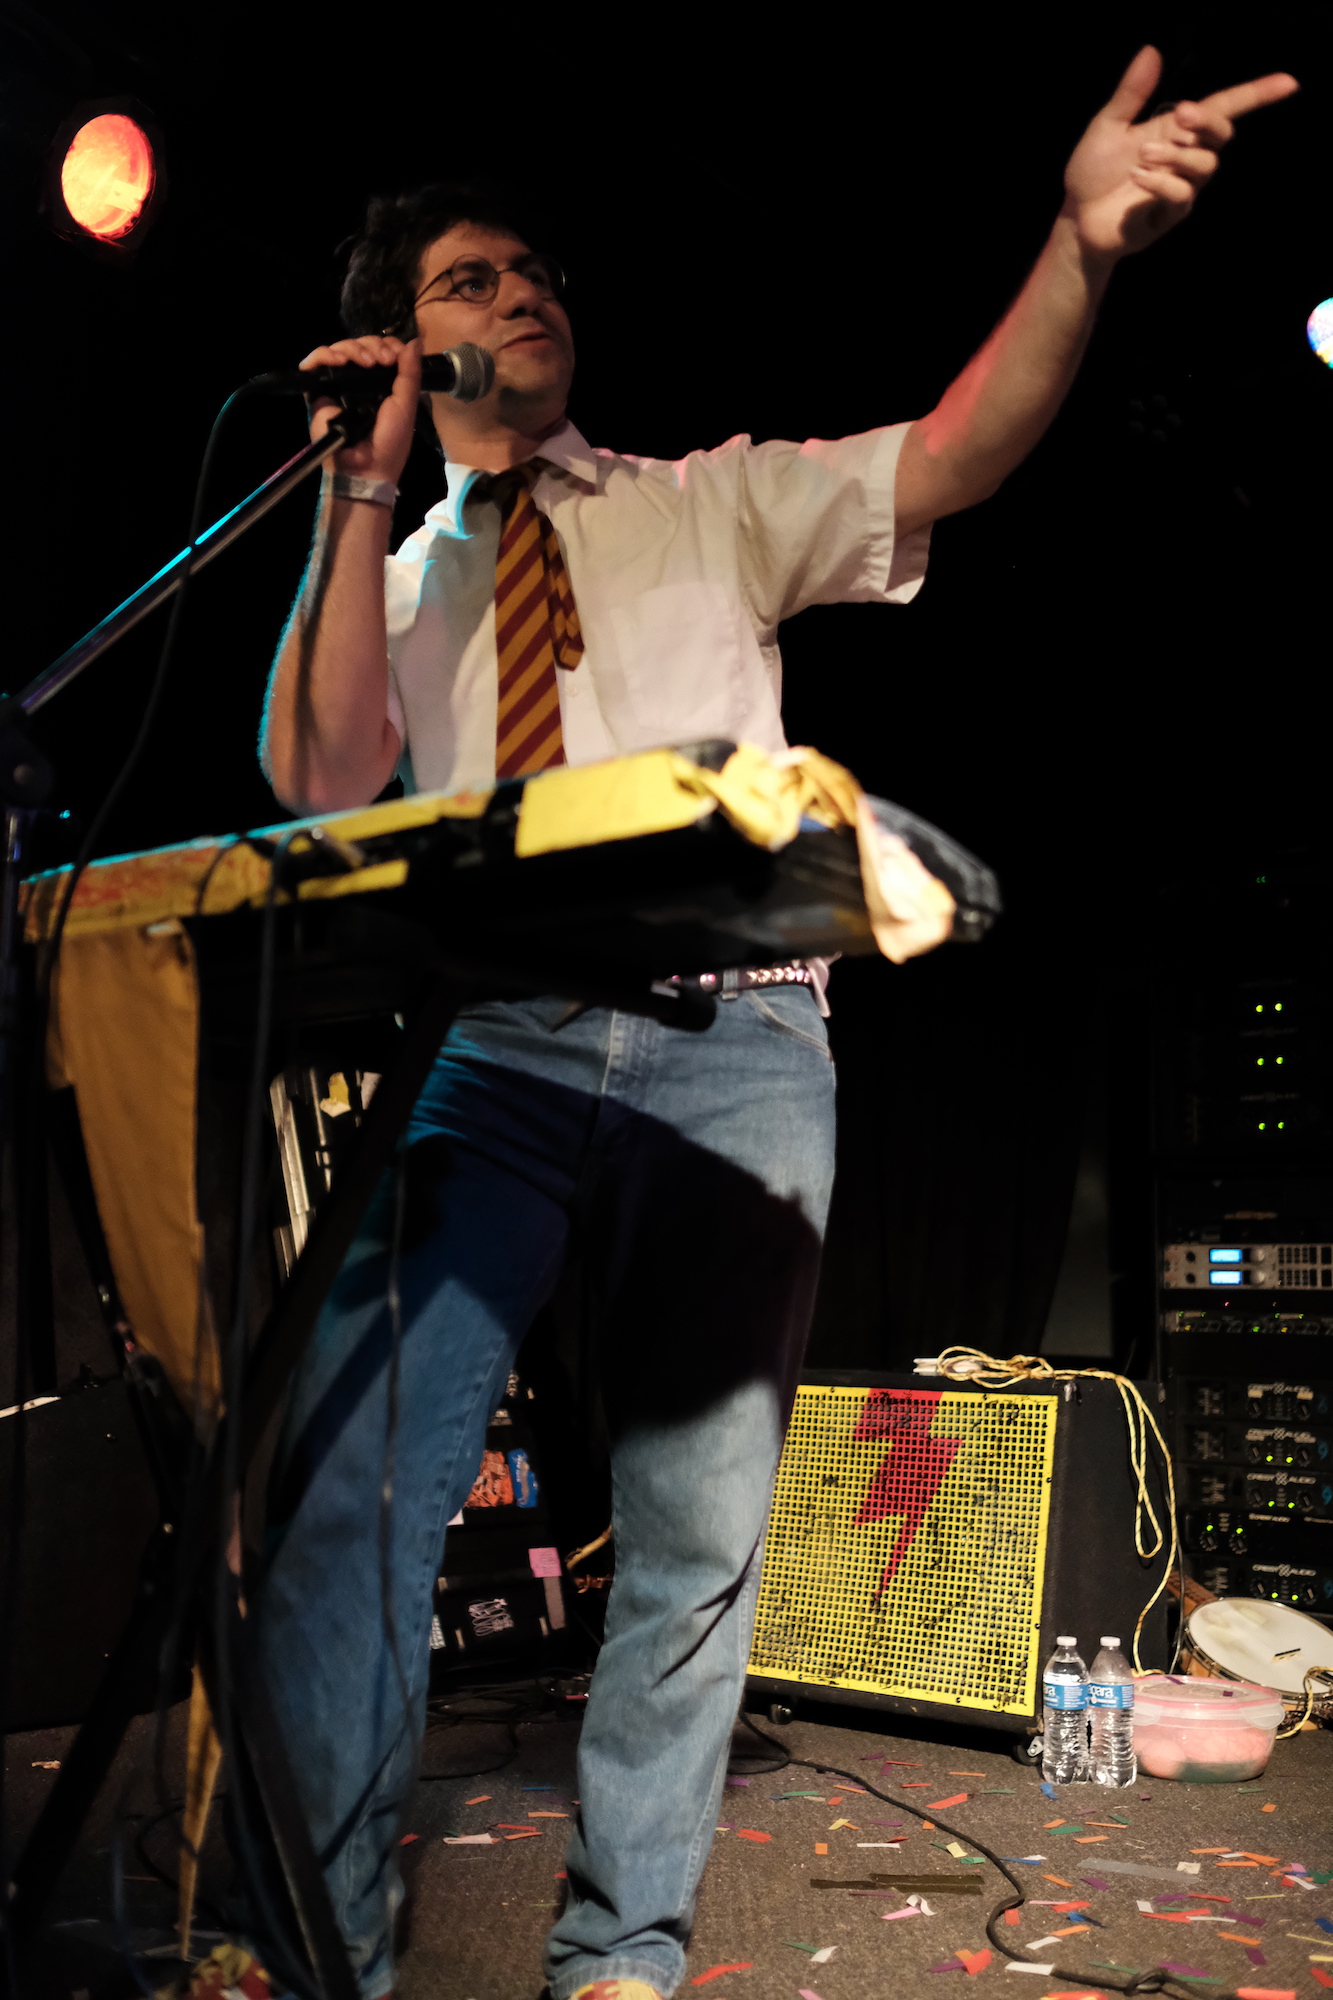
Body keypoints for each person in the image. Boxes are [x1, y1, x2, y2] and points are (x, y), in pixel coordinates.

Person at [257, 48, 1294, 2000]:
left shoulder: (703, 502)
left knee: (696, 1528)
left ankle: (623, 1952)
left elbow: (952, 451)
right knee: (358, 1483)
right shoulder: (384, 572)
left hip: (735, 1049)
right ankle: (324, 1952)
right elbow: (314, 779)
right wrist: (356, 482)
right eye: (474, 281)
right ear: (402, 342)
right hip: (495, 1043)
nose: (524, 296)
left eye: (536, 274)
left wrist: (1078, 244)